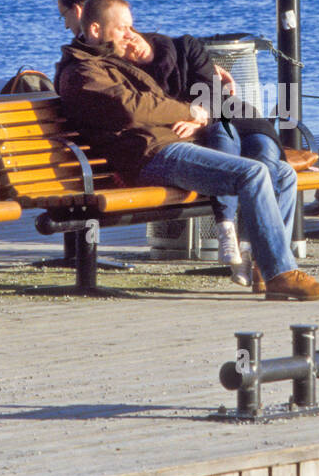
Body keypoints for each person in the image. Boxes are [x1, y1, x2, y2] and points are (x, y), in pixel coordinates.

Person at [56, 0, 319, 299]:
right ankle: (281, 272)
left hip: (174, 142)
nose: (130, 34)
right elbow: (132, 108)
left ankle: (263, 269)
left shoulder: (112, 59)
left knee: (282, 174)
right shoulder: (81, 73)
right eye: (122, 28)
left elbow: (158, 87)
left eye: (132, 27)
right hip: (149, 156)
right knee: (253, 174)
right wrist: (189, 110)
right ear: (95, 30)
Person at [122, 28, 292, 286]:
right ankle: (254, 254)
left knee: (266, 159)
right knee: (279, 173)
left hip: (235, 115)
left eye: (133, 39)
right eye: (127, 48)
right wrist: (193, 120)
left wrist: (198, 118)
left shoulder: (185, 46)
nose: (134, 47)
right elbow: (152, 112)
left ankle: (252, 253)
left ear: (139, 32)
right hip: (215, 127)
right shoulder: (131, 74)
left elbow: (212, 92)